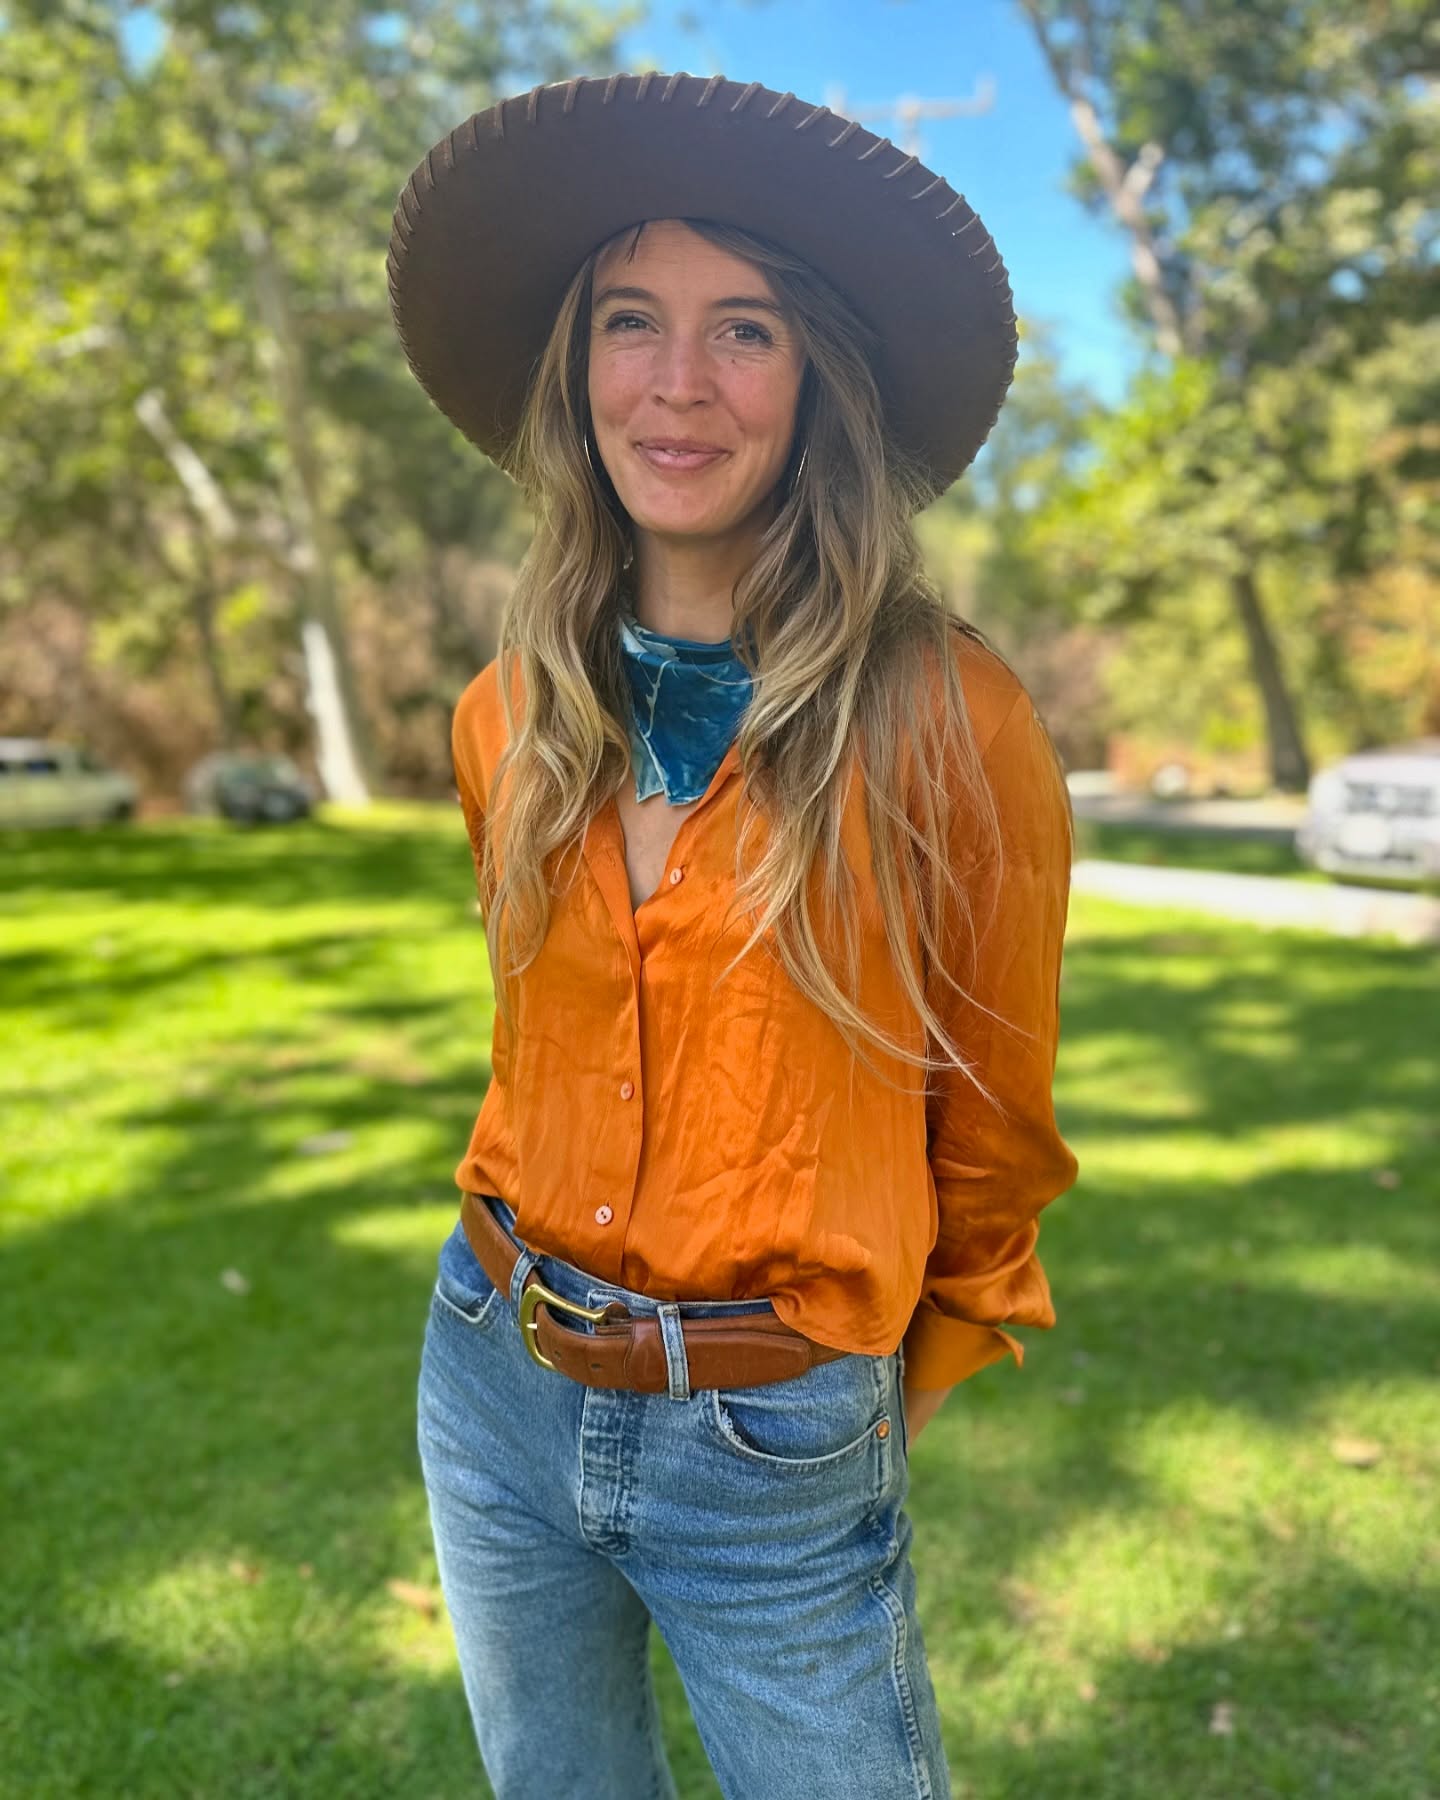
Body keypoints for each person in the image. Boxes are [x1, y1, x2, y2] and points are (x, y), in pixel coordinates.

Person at [387, 70, 1080, 1800]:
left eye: (743, 330)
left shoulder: (953, 724)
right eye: (632, 320)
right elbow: (535, 1045)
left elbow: (994, 1126)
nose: (676, 383)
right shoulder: (503, 715)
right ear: (579, 368)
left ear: (817, 377)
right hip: (494, 1370)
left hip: (778, 1436)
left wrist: (855, 1399)